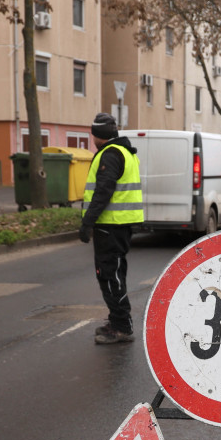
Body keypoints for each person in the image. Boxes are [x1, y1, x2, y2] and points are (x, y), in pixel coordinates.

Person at [79, 112, 143, 344]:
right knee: (114, 275)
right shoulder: (125, 152)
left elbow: (103, 191)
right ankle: (117, 321)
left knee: (110, 276)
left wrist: (88, 222)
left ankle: (122, 326)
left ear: (97, 135)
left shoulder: (111, 154)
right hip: (119, 225)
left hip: (111, 225)